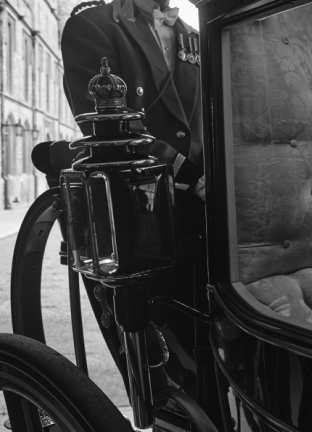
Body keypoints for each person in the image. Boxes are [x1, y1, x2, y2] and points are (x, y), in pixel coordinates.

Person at [60, 0, 210, 411]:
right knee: (160, 370)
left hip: (206, 213)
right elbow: (108, 127)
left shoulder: (197, 36)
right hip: (138, 219)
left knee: (210, 359)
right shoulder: (91, 25)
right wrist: (188, 174)